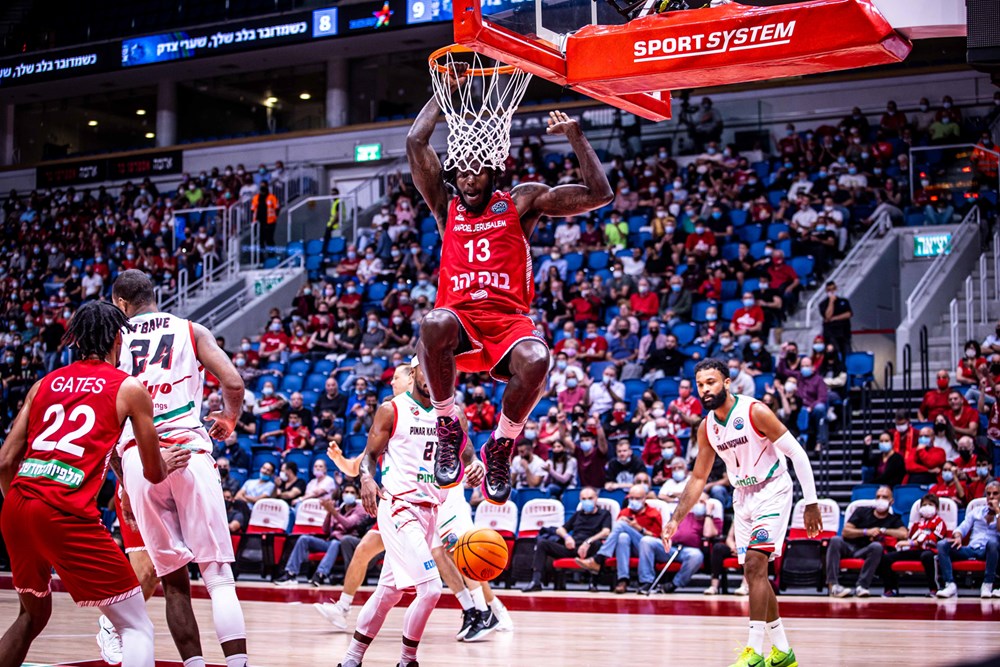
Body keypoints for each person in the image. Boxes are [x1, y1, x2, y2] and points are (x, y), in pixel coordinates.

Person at [408, 63, 614, 504]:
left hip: (507, 324)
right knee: (433, 321)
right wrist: (444, 95)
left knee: (538, 358)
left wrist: (577, 136)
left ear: (493, 171)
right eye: (460, 172)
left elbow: (600, 195)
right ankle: (448, 425)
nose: (467, 179)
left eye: (476, 171)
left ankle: (501, 444)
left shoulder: (521, 201)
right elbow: (415, 141)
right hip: (460, 325)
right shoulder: (447, 208)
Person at [0, 301, 176, 667]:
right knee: (135, 627)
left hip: (16, 505)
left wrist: (24, 508)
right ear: (117, 338)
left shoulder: (43, 383)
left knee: (31, 616)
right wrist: (167, 462)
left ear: (76, 339)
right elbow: (154, 472)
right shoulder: (129, 388)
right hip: (63, 513)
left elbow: (4, 461)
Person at [110, 270, 252, 667]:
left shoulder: (114, 339)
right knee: (218, 576)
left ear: (121, 304)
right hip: (188, 448)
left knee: (174, 583)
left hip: (139, 455)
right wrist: (229, 418)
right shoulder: (191, 329)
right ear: (153, 297)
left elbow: (108, 417)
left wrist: (122, 482)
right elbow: (234, 383)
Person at [663, 359, 822, 667]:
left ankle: (755, 653)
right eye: (700, 384)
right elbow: (698, 478)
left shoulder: (755, 411)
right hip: (742, 495)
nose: (705, 389)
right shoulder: (707, 427)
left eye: (711, 382)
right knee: (753, 573)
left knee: (755, 562)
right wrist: (675, 518)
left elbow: (797, 453)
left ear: (726, 383)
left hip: (773, 489)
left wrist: (811, 502)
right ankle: (783, 651)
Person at [336, 358, 484, 667]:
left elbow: (466, 452)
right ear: (413, 373)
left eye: (442, 371)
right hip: (398, 507)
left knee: (389, 592)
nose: (434, 377)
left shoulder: (453, 413)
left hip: (430, 510)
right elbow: (370, 456)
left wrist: (474, 466)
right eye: (427, 371)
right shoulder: (392, 409)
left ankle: (351, 659)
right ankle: (407, 660)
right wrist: (365, 478)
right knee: (430, 588)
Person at [520, 486, 612, 592]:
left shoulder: (604, 514)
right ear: (580, 500)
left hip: (589, 549)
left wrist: (588, 541)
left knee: (598, 545)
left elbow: (606, 532)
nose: (587, 501)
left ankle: (593, 583)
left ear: (596, 498)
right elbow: (560, 530)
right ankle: (535, 581)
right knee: (542, 544)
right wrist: (567, 537)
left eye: (590, 498)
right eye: (584, 499)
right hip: (572, 547)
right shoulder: (578, 514)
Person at [274, 483, 368, 586]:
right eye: (346, 492)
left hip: (345, 545)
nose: (348, 494)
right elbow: (325, 530)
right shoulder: (337, 509)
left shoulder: (360, 509)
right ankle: (290, 573)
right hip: (330, 542)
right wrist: (329, 513)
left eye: (352, 492)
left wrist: (333, 512)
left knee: (335, 543)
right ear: (342, 494)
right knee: (304, 539)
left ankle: (320, 575)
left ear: (357, 496)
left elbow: (348, 524)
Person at [575, 484, 662, 593]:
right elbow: (615, 535)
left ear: (644, 498)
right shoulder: (624, 512)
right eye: (632, 498)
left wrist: (639, 528)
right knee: (622, 537)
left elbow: (657, 538)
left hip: (648, 548)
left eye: (637, 498)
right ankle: (623, 580)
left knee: (621, 525)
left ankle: (598, 558)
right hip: (628, 548)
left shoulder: (654, 513)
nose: (634, 501)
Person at [826, 486, 907, 598]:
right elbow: (845, 531)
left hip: (866, 551)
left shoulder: (893, 519)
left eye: (884, 497)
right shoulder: (861, 511)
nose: (880, 499)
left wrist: (883, 531)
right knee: (835, 540)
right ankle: (833, 586)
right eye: (878, 497)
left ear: (891, 501)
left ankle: (862, 586)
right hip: (849, 547)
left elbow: (904, 534)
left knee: (877, 546)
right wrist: (866, 532)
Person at [638, 492, 721, 594]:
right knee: (646, 541)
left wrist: (708, 512)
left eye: (702, 502)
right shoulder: (684, 515)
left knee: (696, 556)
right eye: (696, 502)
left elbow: (708, 533)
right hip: (671, 548)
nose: (698, 504)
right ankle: (646, 581)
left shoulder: (713, 519)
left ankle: (673, 584)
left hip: (689, 551)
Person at [936, 481, 1000, 599]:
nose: (991, 497)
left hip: (990, 551)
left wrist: (997, 511)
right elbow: (963, 527)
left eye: (995, 494)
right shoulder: (976, 511)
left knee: (993, 544)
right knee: (942, 544)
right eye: (988, 494)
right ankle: (950, 585)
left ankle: (987, 584)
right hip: (971, 549)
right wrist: (958, 537)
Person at [879, 494, 948, 597]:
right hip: (915, 550)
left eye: (930, 504)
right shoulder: (917, 523)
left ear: (936, 508)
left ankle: (935, 589)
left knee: (927, 556)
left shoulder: (940, 523)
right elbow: (908, 536)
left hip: (931, 551)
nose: (927, 507)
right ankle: (891, 589)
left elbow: (933, 539)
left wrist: (912, 543)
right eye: (924, 505)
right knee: (887, 558)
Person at [819, 281, 852, 358]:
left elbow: (848, 314)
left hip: (844, 333)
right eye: (829, 290)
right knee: (834, 355)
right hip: (831, 335)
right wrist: (831, 302)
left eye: (833, 289)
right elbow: (827, 316)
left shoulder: (844, 301)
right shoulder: (823, 304)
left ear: (836, 288)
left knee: (847, 355)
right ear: (826, 291)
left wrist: (834, 318)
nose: (832, 291)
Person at [251, 181, 279, 250]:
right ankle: (261, 257)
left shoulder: (272, 197)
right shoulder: (256, 198)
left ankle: (271, 256)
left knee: (269, 239)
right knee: (260, 240)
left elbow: (277, 208)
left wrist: (275, 218)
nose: (262, 187)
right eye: (261, 186)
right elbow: (252, 209)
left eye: (264, 186)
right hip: (259, 222)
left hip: (270, 222)